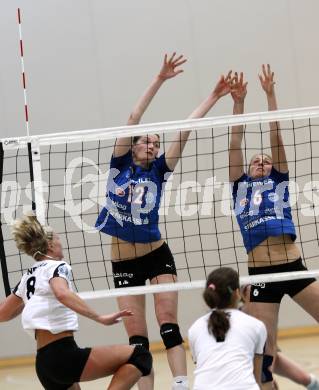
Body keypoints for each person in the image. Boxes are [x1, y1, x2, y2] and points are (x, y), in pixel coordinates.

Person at [95, 52, 234, 390]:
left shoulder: (159, 171)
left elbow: (185, 131)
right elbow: (134, 115)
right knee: (138, 343)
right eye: (148, 140)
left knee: (168, 324)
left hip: (157, 255)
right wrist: (160, 79)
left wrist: (214, 96)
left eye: (157, 143)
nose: (154, 146)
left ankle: (182, 385)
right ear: (133, 145)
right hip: (123, 261)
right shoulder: (119, 164)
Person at [229, 65, 319, 389]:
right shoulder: (239, 187)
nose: (262, 163)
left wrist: (270, 95)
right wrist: (238, 104)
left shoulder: (279, 182)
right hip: (262, 276)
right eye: (257, 161)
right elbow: (234, 145)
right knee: (263, 358)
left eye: (266, 161)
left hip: (293, 268)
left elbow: (276, 135)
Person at [0, 213, 152, 390]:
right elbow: (62, 294)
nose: (60, 242)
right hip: (63, 356)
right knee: (140, 356)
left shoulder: (28, 276)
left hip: (43, 364)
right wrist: (100, 318)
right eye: (58, 239)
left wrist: (29, 299)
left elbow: (2, 314)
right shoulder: (58, 266)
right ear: (49, 245)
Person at [188, 267, 266, 390]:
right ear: (237, 293)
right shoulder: (256, 326)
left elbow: (204, 368)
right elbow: (257, 379)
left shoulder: (194, 328)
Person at [241, 285, 319, 390]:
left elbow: (270, 351)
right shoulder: (241, 318)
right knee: (266, 370)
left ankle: (312, 383)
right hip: (244, 363)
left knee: (270, 363)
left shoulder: (258, 319)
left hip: (256, 357)